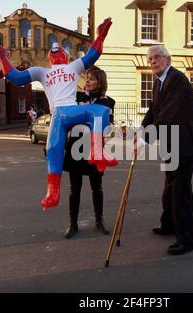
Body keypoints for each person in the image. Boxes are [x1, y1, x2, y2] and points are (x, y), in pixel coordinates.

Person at [0, 17, 118, 210]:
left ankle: (55, 190)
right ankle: (93, 155)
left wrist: (3, 58)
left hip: (59, 115)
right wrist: (100, 36)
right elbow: (93, 54)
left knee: (55, 149)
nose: (57, 49)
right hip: (67, 112)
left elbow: (15, 77)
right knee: (94, 115)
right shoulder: (67, 67)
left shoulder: (44, 71)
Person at [135, 45, 193, 255]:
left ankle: (186, 240)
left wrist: (146, 140)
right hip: (171, 139)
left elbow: (168, 113)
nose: (153, 62)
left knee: (180, 190)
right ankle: (169, 225)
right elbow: (153, 110)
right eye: (150, 59)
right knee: (169, 185)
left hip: (186, 139)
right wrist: (140, 130)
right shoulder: (158, 83)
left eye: (157, 57)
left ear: (167, 59)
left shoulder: (177, 79)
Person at [62, 66, 115, 239]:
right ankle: (73, 223)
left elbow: (107, 127)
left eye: (91, 78)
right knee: (74, 189)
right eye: (86, 78)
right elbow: (66, 120)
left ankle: (99, 221)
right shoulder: (76, 97)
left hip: (95, 149)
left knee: (97, 188)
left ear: (100, 82)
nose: (87, 81)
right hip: (75, 145)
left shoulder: (107, 102)